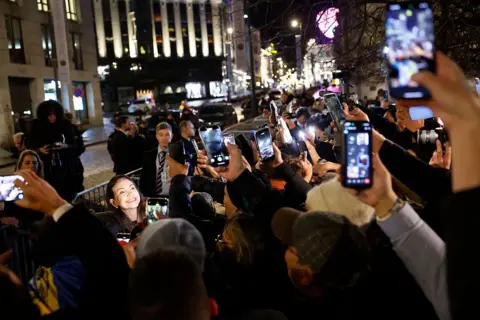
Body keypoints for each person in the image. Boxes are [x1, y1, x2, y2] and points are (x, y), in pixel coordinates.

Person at [26, 100, 76, 201]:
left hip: (65, 167)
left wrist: (65, 146)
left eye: (54, 114)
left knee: (66, 194)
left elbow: (76, 145)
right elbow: (29, 146)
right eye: (49, 115)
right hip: (45, 167)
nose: (52, 117)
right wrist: (39, 150)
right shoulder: (36, 127)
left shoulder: (65, 125)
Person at [1, 150, 44, 229]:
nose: (31, 166)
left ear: (38, 166)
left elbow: (41, 216)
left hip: (35, 230)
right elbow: (8, 213)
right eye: (27, 163)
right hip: (14, 230)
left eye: (34, 163)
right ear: (20, 166)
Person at [140, 122, 173, 197]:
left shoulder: (178, 155)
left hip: (174, 199)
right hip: (153, 198)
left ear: (172, 136)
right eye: (161, 135)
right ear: (156, 136)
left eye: (167, 134)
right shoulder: (148, 155)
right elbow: (143, 180)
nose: (164, 138)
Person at [64, 113, 85, 192]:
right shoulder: (65, 129)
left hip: (74, 158)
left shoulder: (74, 128)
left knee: (78, 176)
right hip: (70, 159)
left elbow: (80, 144)